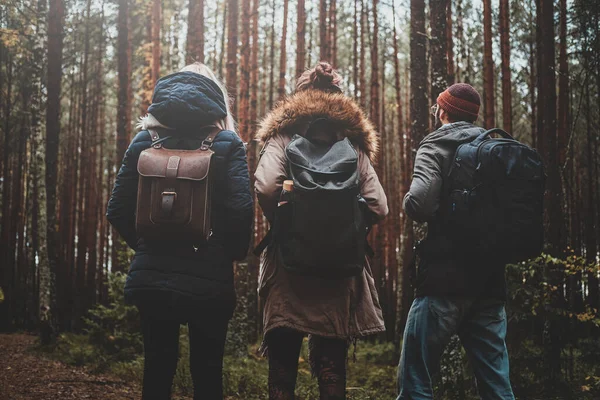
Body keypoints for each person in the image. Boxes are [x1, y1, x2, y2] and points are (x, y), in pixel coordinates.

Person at [106, 62, 253, 400]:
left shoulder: (145, 140)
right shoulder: (227, 142)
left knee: (156, 371)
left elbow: (117, 209)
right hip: (210, 277)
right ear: (217, 100)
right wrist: (226, 254)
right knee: (207, 375)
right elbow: (241, 211)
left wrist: (147, 243)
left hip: (151, 279)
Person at [254, 61, 389, 400]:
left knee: (282, 366)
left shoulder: (283, 137)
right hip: (340, 269)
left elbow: (267, 187)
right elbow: (379, 206)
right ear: (339, 99)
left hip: (288, 265)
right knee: (331, 367)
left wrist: (286, 222)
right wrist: (346, 227)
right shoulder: (352, 144)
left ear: (299, 97)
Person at [396, 83, 515, 400]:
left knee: (416, 379)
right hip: (490, 282)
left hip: (444, 280)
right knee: (497, 386)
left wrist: (407, 200)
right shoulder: (494, 148)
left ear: (443, 111)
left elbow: (419, 204)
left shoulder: (435, 144)